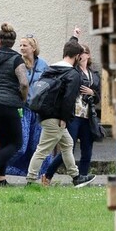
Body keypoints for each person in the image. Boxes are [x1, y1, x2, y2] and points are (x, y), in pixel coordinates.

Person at [25, 38, 95, 188]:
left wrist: (74, 38)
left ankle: (76, 177)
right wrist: (64, 118)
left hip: (44, 114)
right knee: (42, 150)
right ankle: (30, 181)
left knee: (68, 144)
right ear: (77, 56)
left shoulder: (51, 69)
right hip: (57, 118)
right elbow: (68, 99)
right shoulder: (73, 74)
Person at [43, 31, 101, 186]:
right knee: (69, 147)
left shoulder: (94, 74)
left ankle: (82, 178)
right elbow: (69, 50)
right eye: (79, 52)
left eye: (84, 52)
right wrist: (74, 36)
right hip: (74, 114)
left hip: (88, 116)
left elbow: (99, 97)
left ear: (88, 55)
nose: (81, 55)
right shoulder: (73, 71)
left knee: (87, 149)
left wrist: (92, 93)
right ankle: (47, 175)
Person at [0, 23, 29, 186]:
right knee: (16, 143)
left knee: (4, 142)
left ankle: (0, 179)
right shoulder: (16, 59)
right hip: (8, 105)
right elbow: (24, 83)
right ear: (13, 42)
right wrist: (22, 99)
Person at [6, 35, 51, 177]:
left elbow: (48, 85)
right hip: (22, 109)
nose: (21, 48)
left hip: (38, 111)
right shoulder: (18, 62)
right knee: (21, 145)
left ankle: (41, 176)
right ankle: (0, 168)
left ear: (33, 48)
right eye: (20, 45)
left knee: (38, 145)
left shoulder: (43, 65)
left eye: (25, 45)